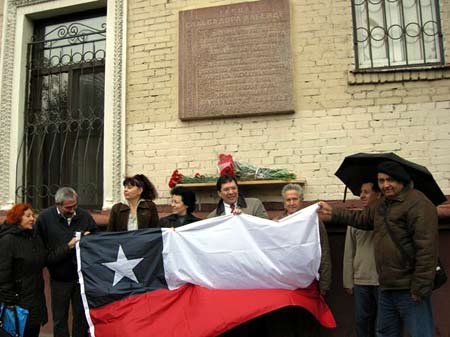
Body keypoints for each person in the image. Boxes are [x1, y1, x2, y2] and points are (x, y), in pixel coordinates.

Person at [318, 161, 438, 337]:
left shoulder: (418, 204)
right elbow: (361, 219)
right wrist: (334, 212)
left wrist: (420, 288)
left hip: (409, 287)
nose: (385, 185)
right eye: (381, 181)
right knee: (385, 333)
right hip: (386, 287)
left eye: (390, 180)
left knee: (420, 333)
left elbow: (426, 249)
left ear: (402, 180)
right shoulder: (382, 205)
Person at [35, 187, 97, 337]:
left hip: (81, 277)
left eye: (75, 205)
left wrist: (90, 237)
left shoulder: (84, 216)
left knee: (81, 318)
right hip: (59, 278)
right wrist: (68, 246)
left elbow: (97, 240)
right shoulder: (45, 218)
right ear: (58, 205)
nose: (73, 209)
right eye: (69, 207)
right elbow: (42, 254)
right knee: (60, 318)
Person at [0, 204, 48, 337]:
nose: (32, 219)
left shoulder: (34, 238)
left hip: (35, 300)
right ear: (17, 218)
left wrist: (68, 247)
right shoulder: (8, 240)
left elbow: (45, 259)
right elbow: (3, 272)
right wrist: (8, 300)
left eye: (33, 215)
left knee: (32, 330)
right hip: (17, 303)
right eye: (28, 216)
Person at [343, 181, 380, 337]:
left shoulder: (387, 218)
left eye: (367, 192)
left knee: (383, 325)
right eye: (361, 192)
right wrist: (348, 281)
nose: (362, 195)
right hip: (361, 281)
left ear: (378, 194)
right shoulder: (355, 219)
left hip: (383, 281)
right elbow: (349, 252)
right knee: (362, 322)